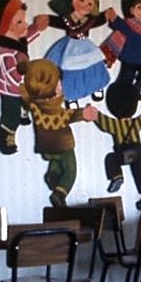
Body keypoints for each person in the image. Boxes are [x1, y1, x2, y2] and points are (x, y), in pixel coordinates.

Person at [19, 58, 96, 207]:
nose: (61, 86)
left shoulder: (34, 105)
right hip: (63, 144)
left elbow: (24, 96)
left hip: (46, 147)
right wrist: (83, 113)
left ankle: (52, 175)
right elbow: (67, 116)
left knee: (57, 161)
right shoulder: (53, 108)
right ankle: (60, 193)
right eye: (59, 83)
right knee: (70, 171)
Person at [0, 0, 47, 155]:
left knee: (29, 100)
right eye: (20, 22)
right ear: (5, 26)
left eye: (24, 20)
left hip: (20, 85)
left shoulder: (16, 42)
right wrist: (22, 72)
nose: (25, 25)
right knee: (10, 113)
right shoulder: (6, 51)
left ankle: (23, 112)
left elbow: (26, 39)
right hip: (10, 89)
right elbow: (11, 73)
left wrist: (37, 28)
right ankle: (5, 134)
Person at [41, 0, 113, 103]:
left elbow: (98, 21)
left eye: (90, 3)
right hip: (71, 46)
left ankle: (97, 87)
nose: (86, 5)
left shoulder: (90, 20)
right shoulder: (68, 19)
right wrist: (48, 19)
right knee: (70, 70)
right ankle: (71, 96)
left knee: (94, 66)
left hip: (86, 45)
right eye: (82, 0)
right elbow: (59, 22)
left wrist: (105, 15)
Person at [89, 81, 141, 211]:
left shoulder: (115, 125)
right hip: (137, 151)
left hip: (124, 152)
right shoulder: (136, 122)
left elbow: (104, 122)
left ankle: (117, 176)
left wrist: (95, 114)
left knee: (112, 159)